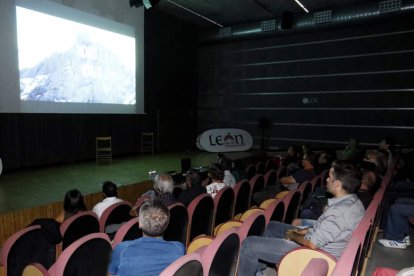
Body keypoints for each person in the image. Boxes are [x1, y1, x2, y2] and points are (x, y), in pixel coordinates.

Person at [238, 160, 365, 276]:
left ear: (337, 184)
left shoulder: (339, 212)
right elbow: (327, 228)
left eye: (330, 177)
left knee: (249, 244)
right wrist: (303, 231)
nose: (326, 179)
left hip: (315, 255)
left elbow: (313, 243)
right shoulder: (353, 201)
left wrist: (293, 235)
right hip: (320, 244)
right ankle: (258, 269)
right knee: (272, 226)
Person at [108, 199, 185, 276]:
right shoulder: (179, 248)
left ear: (140, 224)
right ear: (167, 224)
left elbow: (110, 274)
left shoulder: (122, 249)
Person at [252, 152, 317, 205]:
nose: (302, 160)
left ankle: (266, 210)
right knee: (266, 188)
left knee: (256, 195)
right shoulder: (314, 172)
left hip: (285, 194)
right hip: (291, 193)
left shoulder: (304, 173)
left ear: (308, 161)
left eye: (303, 159)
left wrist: (282, 179)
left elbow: (286, 181)